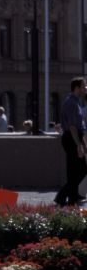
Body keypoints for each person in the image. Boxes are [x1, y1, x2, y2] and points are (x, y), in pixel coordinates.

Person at [54, 77, 87, 207]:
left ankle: (69, 199)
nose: (86, 88)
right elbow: (73, 127)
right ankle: (65, 198)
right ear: (77, 88)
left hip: (75, 137)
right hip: (72, 137)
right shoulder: (72, 103)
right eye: (84, 86)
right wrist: (79, 145)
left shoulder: (75, 101)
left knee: (77, 171)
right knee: (79, 170)